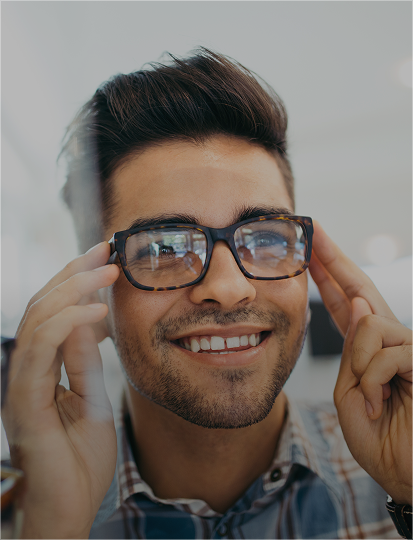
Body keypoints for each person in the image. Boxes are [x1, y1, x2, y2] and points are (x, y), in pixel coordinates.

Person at [2, 48, 411, 539]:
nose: (228, 288)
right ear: (92, 290)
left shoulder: (397, 470)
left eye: (264, 237)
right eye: (163, 247)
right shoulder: (24, 515)